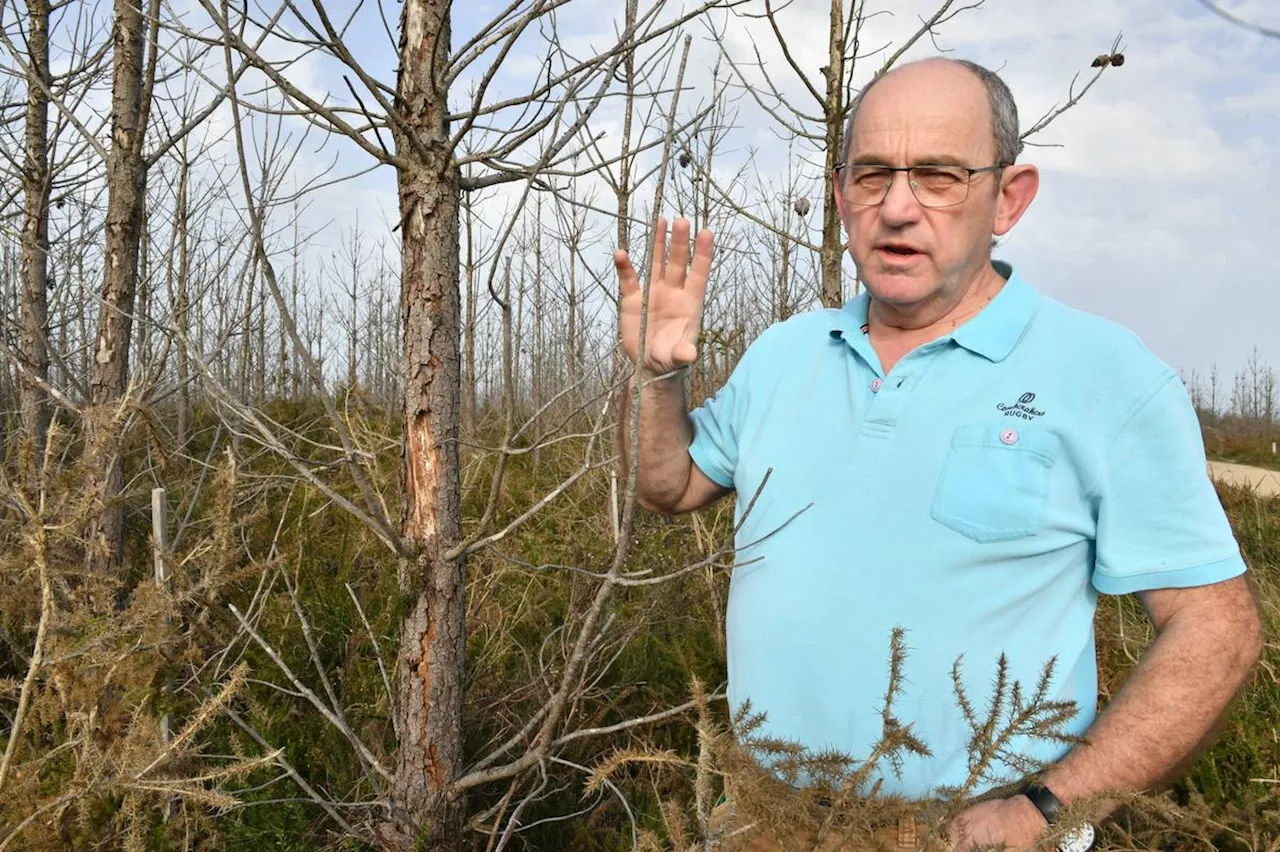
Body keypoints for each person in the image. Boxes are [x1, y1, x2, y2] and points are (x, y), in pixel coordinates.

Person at [615, 58, 1263, 852]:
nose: (897, 208)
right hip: (763, 819)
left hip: (973, 833)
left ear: (1009, 198)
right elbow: (669, 485)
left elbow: (1214, 629)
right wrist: (659, 378)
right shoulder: (786, 353)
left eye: (939, 176)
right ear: (841, 192)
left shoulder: (1105, 375)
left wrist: (1049, 809)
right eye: (873, 174)